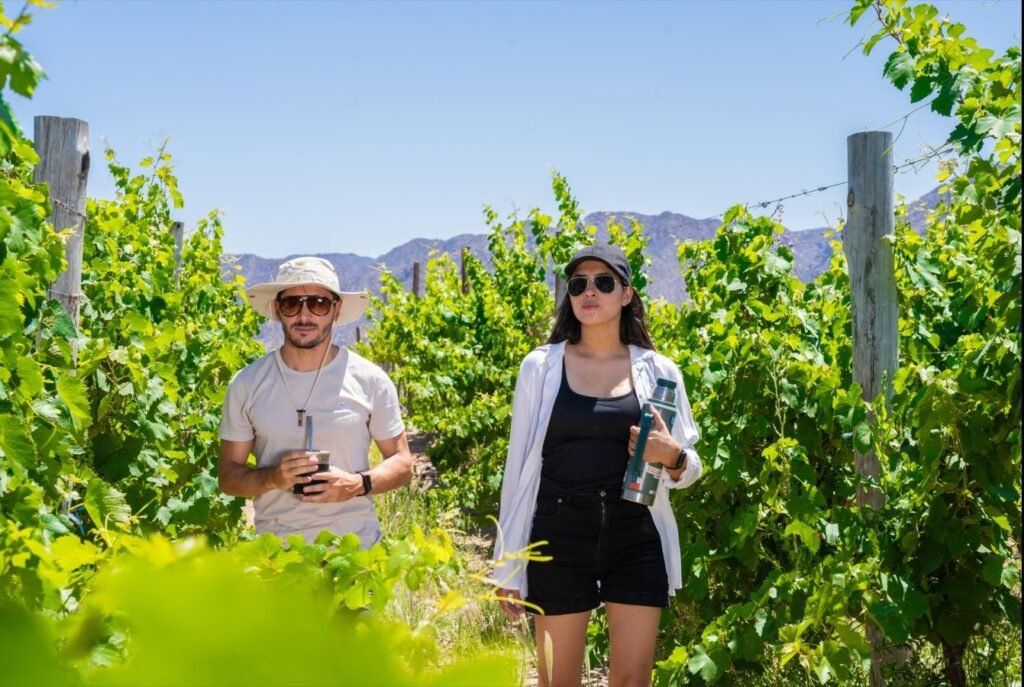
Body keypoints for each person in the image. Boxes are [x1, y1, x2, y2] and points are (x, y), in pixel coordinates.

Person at [493, 244, 702, 687]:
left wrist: (672, 456)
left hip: (635, 531)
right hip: (558, 532)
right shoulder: (540, 367)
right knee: (557, 680)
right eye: (578, 284)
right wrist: (507, 564)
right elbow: (518, 471)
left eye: (603, 282)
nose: (590, 292)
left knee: (632, 680)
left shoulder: (660, 371)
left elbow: (689, 468)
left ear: (626, 294)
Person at [218, 256, 412, 547]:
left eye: (318, 304)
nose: (304, 315)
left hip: (355, 553)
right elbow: (228, 476)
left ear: (336, 309)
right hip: (278, 557)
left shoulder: (370, 380)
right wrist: (272, 478)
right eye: (292, 304)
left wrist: (357, 484)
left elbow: (403, 462)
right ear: (277, 309)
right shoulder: (247, 383)